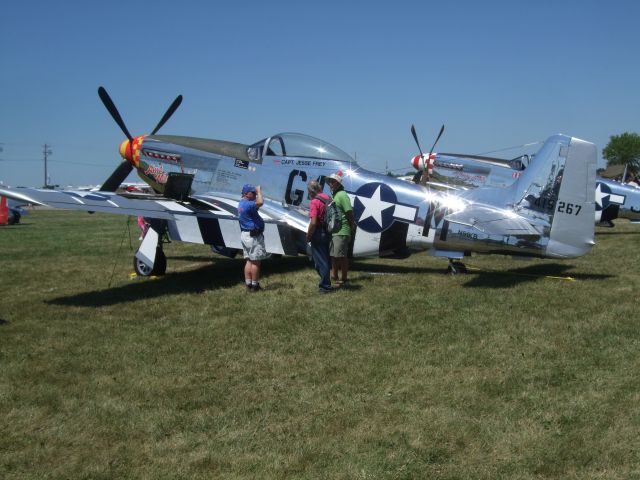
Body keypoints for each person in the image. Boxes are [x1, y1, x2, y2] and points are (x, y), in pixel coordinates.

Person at [326, 171, 357, 286]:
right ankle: (334, 275)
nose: (331, 184)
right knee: (334, 255)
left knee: (341, 256)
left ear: (338, 184)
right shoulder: (335, 195)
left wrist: (351, 225)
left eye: (333, 182)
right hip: (335, 231)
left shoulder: (342, 195)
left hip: (342, 229)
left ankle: (344, 278)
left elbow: (349, 212)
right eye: (330, 182)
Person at [238, 184, 267, 291]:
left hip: (246, 235)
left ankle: (248, 283)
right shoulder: (249, 205)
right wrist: (259, 191)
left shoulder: (242, 203)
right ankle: (255, 285)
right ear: (246, 194)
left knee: (249, 261)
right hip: (253, 237)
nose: (255, 195)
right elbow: (260, 202)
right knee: (256, 261)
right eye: (253, 193)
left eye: (255, 193)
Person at [306, 180, 332, 293]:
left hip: (318, 232)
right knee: (323, 259)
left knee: (321, 261)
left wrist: (308, 235)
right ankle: (325, 281)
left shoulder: (314, 202)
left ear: (312, 191)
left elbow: (313, 222)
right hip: (328, 231)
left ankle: (325, 286)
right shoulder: (328, 198)